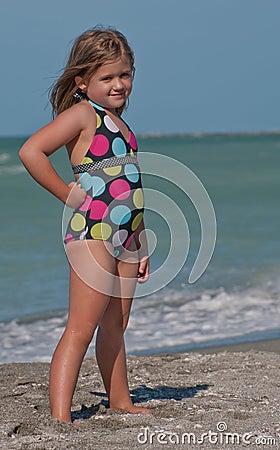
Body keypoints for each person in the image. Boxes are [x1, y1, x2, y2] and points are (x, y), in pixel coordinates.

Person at [19, 27, 151, 424]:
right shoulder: (82, 115)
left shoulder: (121, 125)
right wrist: (66, 194)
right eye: (107, 77)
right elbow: (31, 152)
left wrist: (141, 242)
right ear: (82, 81)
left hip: (127, 237)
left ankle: (120, 400)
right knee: (82, 327)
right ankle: (60, 417)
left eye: (124, 74)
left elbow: (130, 189)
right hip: (92, 233)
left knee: (117, 323)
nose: (118, 84)